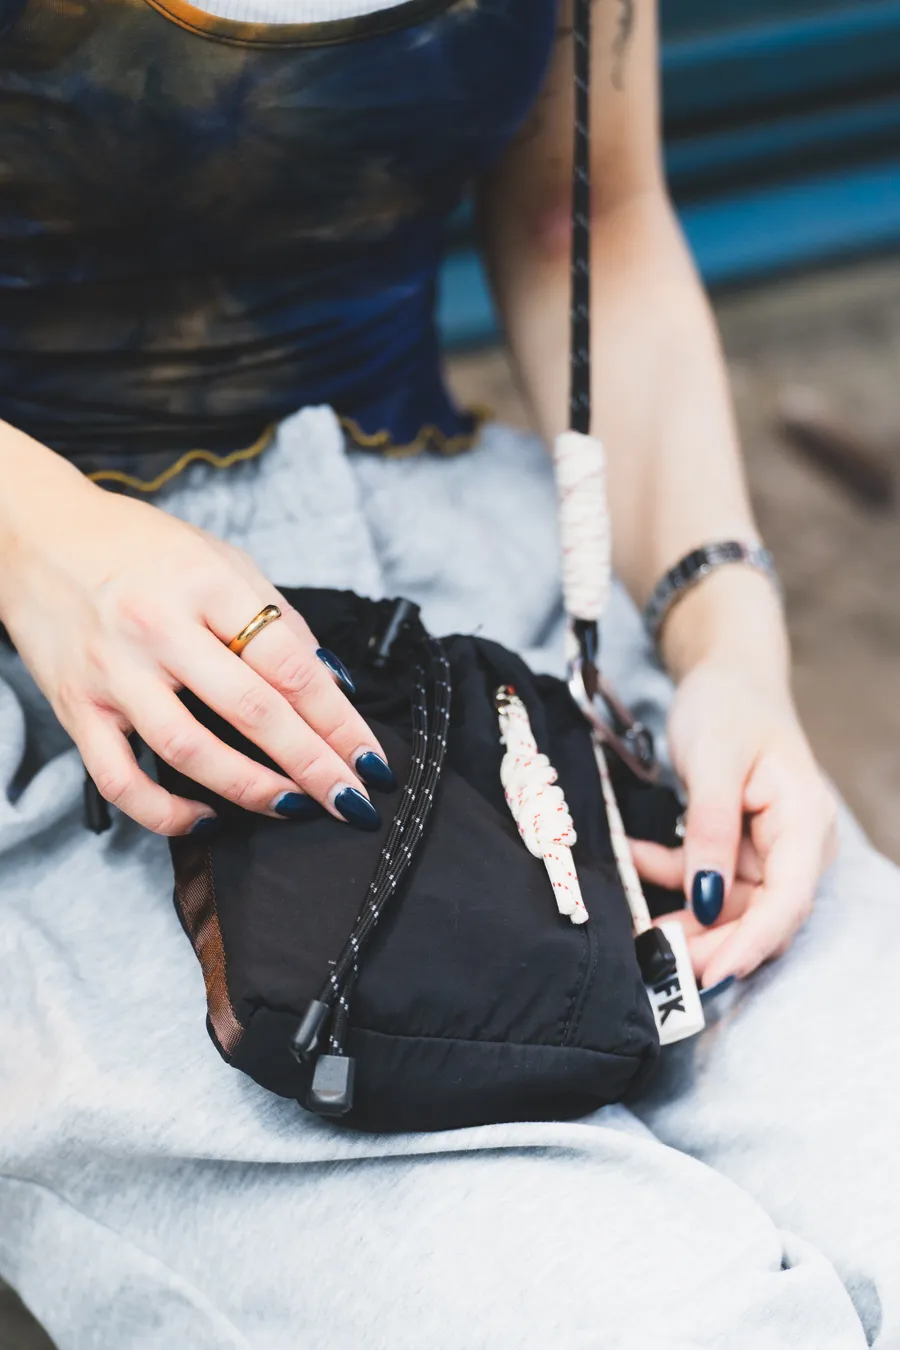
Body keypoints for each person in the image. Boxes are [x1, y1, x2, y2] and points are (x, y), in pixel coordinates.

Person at [0, 0, 896, 1345]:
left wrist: (730, 642)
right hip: (64, 691)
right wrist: (39, 537)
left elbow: (581, 223)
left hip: (477, 614)